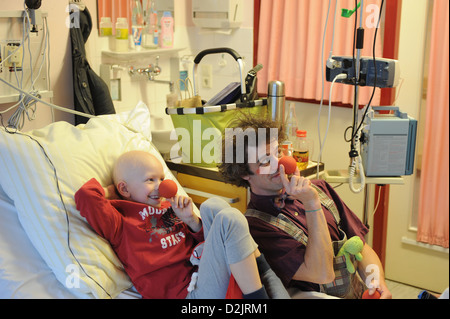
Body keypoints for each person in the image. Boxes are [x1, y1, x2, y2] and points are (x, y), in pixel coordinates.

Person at [218, 114, 392, 299]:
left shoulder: (320, 188)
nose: (281, 164)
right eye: (265, 161)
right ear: (244, 173)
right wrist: (311, 204)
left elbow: (360, 245)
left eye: (279, 152)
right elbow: (322, 273)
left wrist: (376, 281)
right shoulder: (256, 227)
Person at [75, 150, 288, 299]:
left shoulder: (169, 206)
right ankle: (263, 283)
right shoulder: (120, 220)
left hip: (203, 273)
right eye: (150, 180)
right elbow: (86, 196)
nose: (162, 185)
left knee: (213, 206)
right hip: (187, 296)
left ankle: (264, 279)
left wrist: (190, 220)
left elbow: (204, 245)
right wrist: (117, 191)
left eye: (161, 178)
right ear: (124, 188)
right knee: (230, 219)